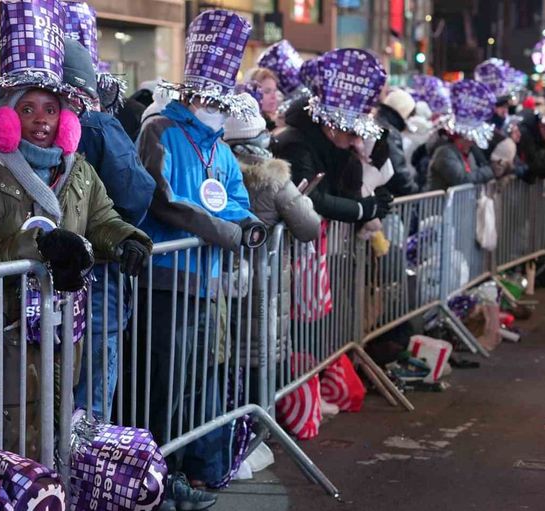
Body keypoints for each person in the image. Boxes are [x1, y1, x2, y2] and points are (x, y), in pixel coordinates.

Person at [0, 2, 151, 457]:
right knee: (10, 455)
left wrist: (125, 241)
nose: (42, 119)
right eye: (28, 108)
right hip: (2, 347)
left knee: (56, 445)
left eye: (51, 109)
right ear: (4, 117)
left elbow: (102, 219)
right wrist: (37, 246)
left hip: (62, 340)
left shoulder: (78, 171)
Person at [135, 10, 265, 510]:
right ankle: (156, 478)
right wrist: (228, 231)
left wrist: (247, 225)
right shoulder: (160, 129)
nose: (211, 105)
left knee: (195, 382)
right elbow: (162, 199)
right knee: (164, 385)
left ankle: (187, 470)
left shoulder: (221, 149)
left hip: (206, 281)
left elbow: (235, 200)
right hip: (166, 281)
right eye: (205, 96)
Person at [62, 36, 156, 417]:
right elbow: (135, 195)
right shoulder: (99, 126)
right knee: (92, 406)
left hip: (44, 300)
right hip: (98, 291)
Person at [223, 93, 321, 393]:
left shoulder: (216, 169)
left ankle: (239, 416)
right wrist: (303, 201)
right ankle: (261, 417)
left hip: (224, 278)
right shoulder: (274, 176)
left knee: (229, 357)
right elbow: (309, 226)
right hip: (265, 281)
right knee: (262, 357)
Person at [274, 49, 393, 230]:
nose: (356, 141)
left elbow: (342, 192)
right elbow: (311, 198)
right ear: (331, 127)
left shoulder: (331, 146)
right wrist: (362, 209)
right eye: (352, 134)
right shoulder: (295, 145)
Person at [426, 80, 499, 190]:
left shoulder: (467, 153)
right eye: (470, 139)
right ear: (461, 138)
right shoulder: (444, 153)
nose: (472, 143)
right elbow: (462, 180)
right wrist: (490, 171)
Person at [375, 88, 419, 196]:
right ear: (403, 111)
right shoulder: (390, 132)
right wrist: (413, 189)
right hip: (385, 194)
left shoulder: (377, 122)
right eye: (409, 115)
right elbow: (398, 170)